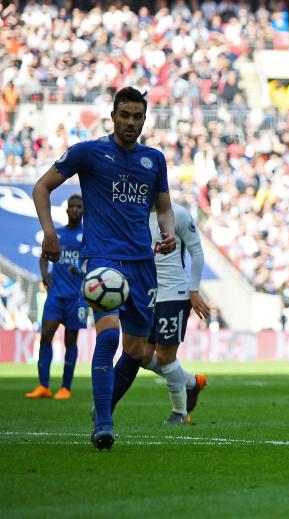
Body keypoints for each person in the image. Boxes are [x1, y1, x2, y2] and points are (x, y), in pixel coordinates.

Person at [33, 87, 177, 451]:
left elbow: (163, 207)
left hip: (143, 264)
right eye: (125, 115)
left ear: (145, 120)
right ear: (112, 116)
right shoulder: (89, 153)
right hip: (102, 260)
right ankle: (106, 426)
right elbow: (42, 187)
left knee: (138, 352)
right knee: (108, 337)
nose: (131, 122)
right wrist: (50, 233)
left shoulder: (154, 160)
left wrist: (169, 233)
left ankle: (103, 410)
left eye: (137, 116)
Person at [132, 202, 209, 425]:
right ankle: (191, 381)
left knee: (166, 355)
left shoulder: (180, 214)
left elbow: (197, 252)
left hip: (174, 293)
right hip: (147, 293)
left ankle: (180, 413)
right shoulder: (136, 214)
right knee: (142, 356)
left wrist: (194, 290)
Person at [25, 194, 87, 400]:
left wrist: (79, 270)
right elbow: (44, 258)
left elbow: (92, 263)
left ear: (83, 210)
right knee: (45, 336)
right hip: (56, 295)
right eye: (73, 206)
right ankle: (44, 386)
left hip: (77, 297)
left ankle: (65, 388)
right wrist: (45, 275)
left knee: (70, 340)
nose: (76, 209)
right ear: (67, 209)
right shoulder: (56, 235)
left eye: (79, 206)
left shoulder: (87, 236)